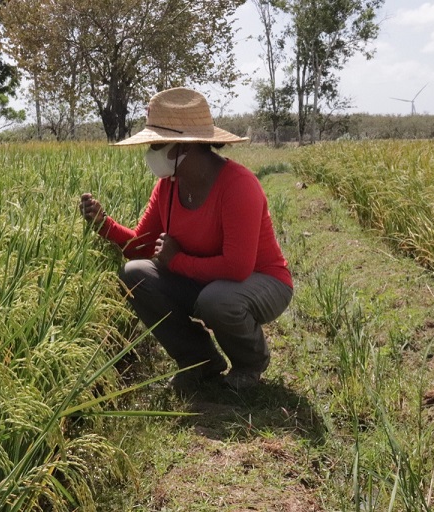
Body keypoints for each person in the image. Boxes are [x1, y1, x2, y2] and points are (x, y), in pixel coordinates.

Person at [79, 87, 293, 392]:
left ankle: (250, 363)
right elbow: (141, 247)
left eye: (156, 144)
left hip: (262, 281)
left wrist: (176, 261)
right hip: (207, 282)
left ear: (184, 147)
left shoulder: (238, 186)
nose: (150, 153)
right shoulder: (167, 187)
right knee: (135, 274)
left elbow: (237, 268)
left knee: (217, 299)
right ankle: (200, 363)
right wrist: (103, 224)